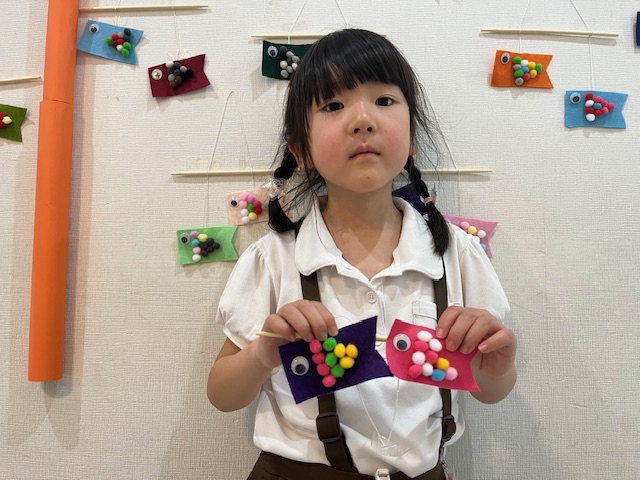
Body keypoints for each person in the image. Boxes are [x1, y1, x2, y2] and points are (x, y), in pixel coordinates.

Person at [207, 29, 517, 480]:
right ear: (301, 149)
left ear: (412, 136)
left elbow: (491, 391)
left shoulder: (458, 253)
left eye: (384, 101)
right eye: (333, 106)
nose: (362, 120)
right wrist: (262, 353)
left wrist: (497, 367)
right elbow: (222, 395)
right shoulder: (272, 259)